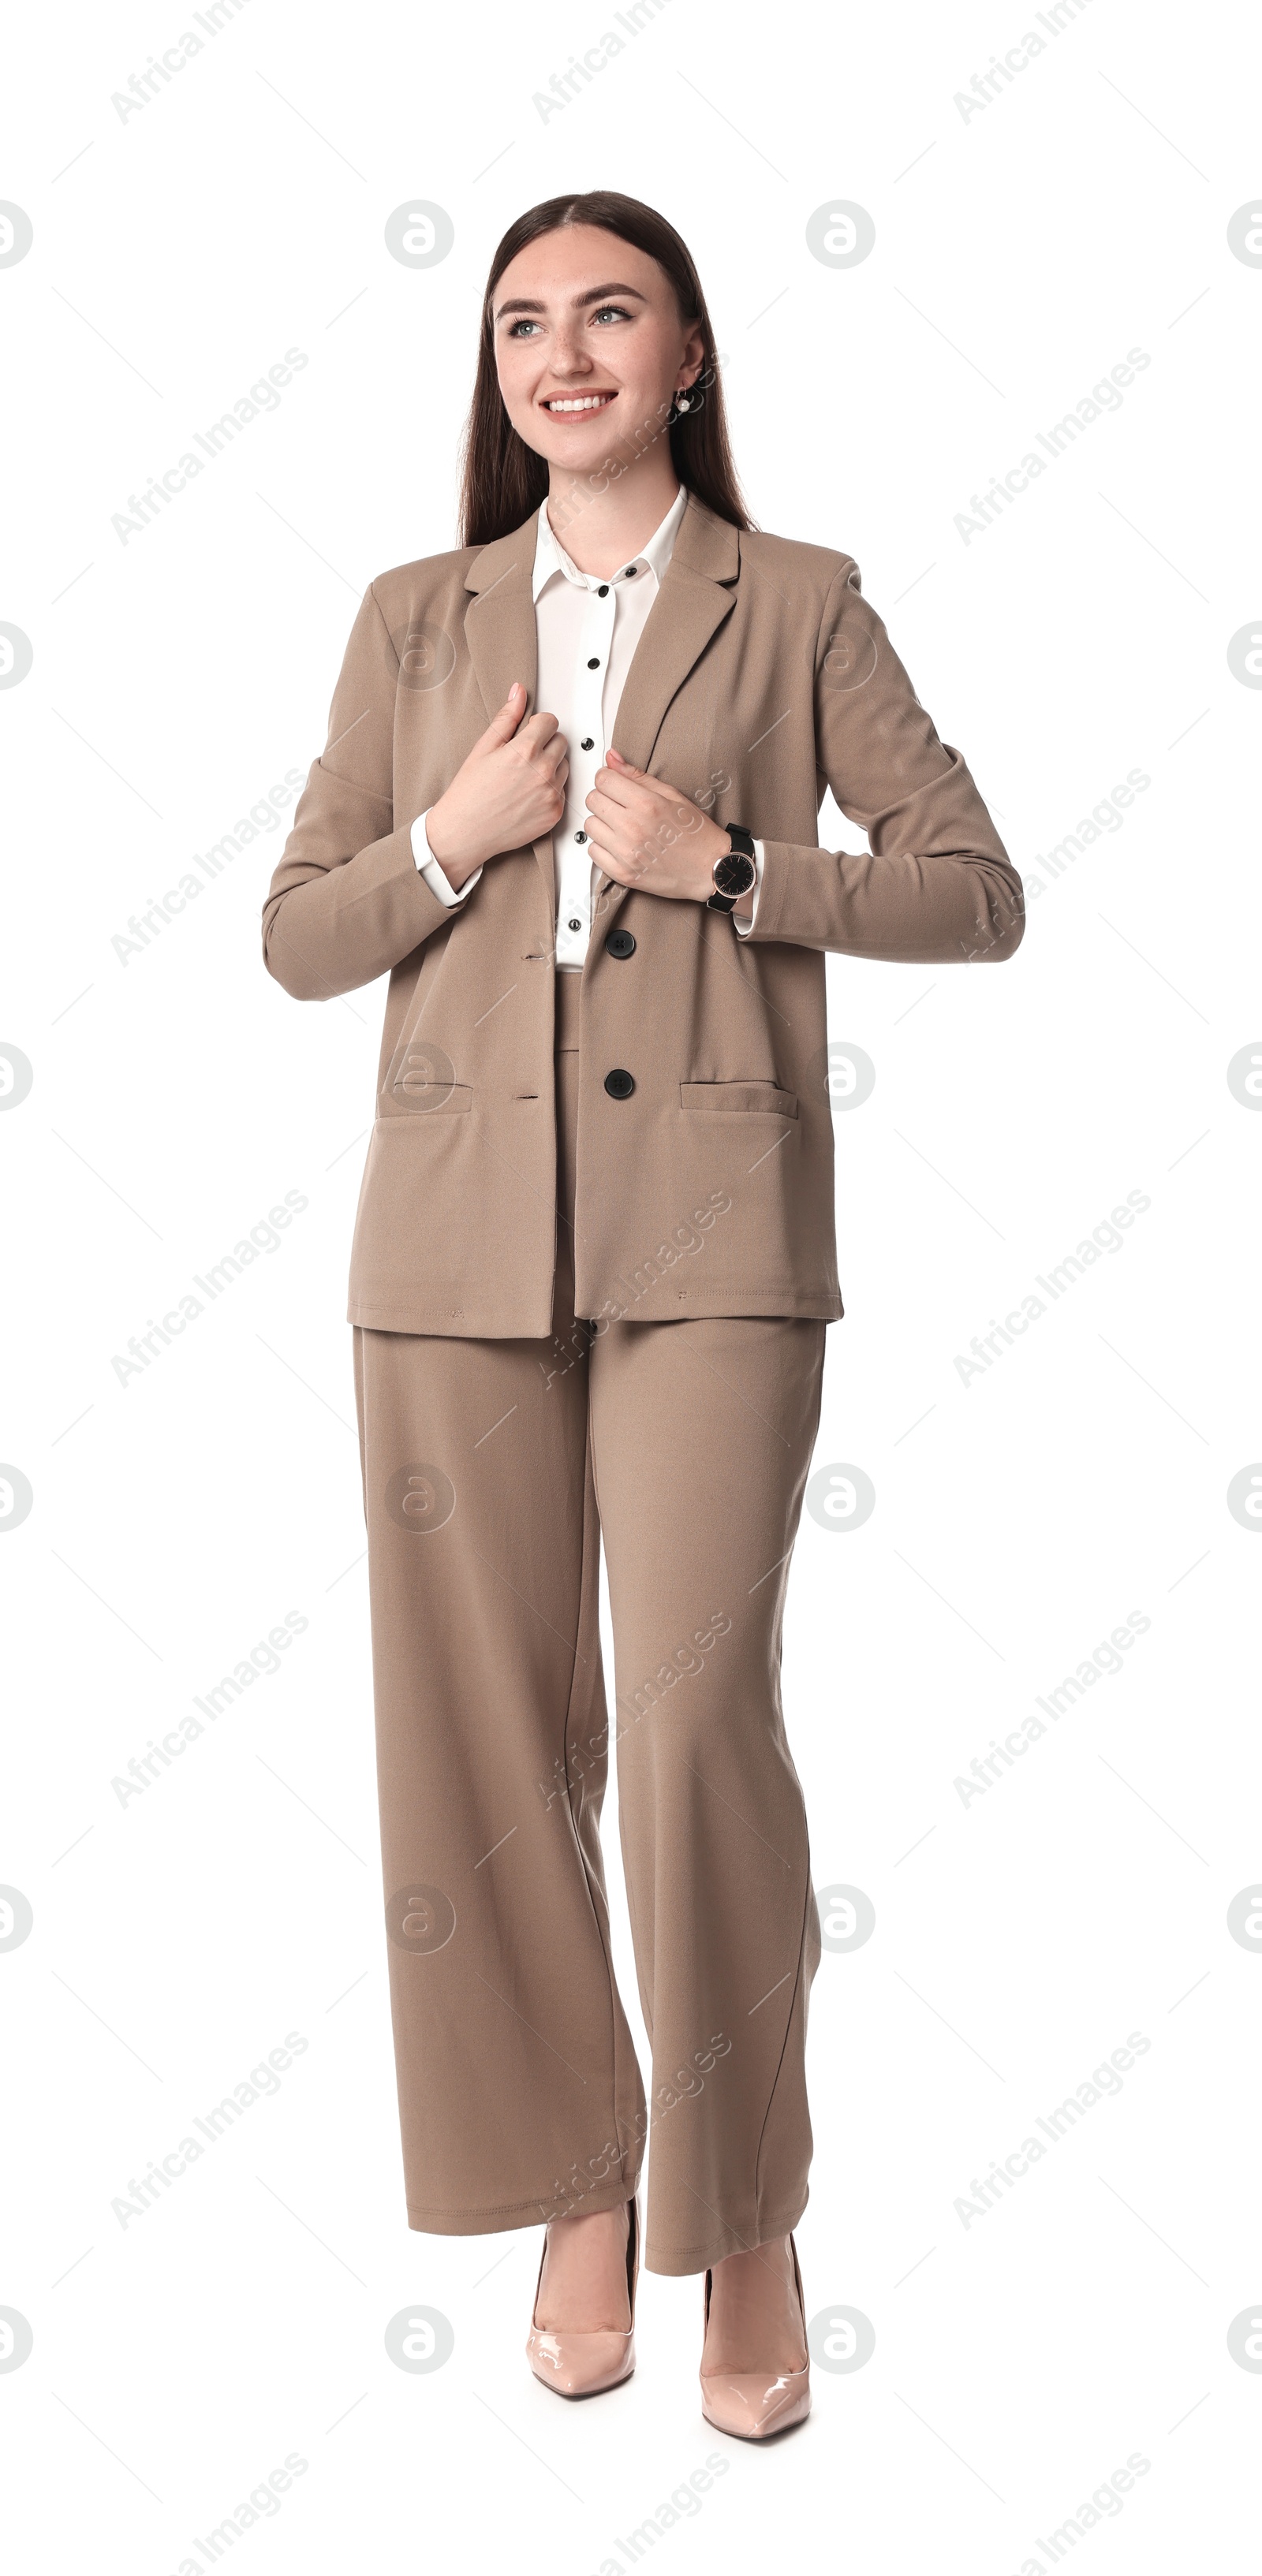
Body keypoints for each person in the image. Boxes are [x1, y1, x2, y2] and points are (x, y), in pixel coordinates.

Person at [262, 189, 1024, 2440]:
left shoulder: (800, 604)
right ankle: (577, 2180)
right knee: (479, 1755)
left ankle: (745, 2202)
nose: (562, 351)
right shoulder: (414, 623)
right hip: (451, 1247)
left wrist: (738, 871)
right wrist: (455, 838)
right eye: (522, 321)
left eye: (608, 313)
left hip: (713, 1238)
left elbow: (976, 887)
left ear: (688, 353)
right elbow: (302, 932)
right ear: (492, 371)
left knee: (691, 1728)